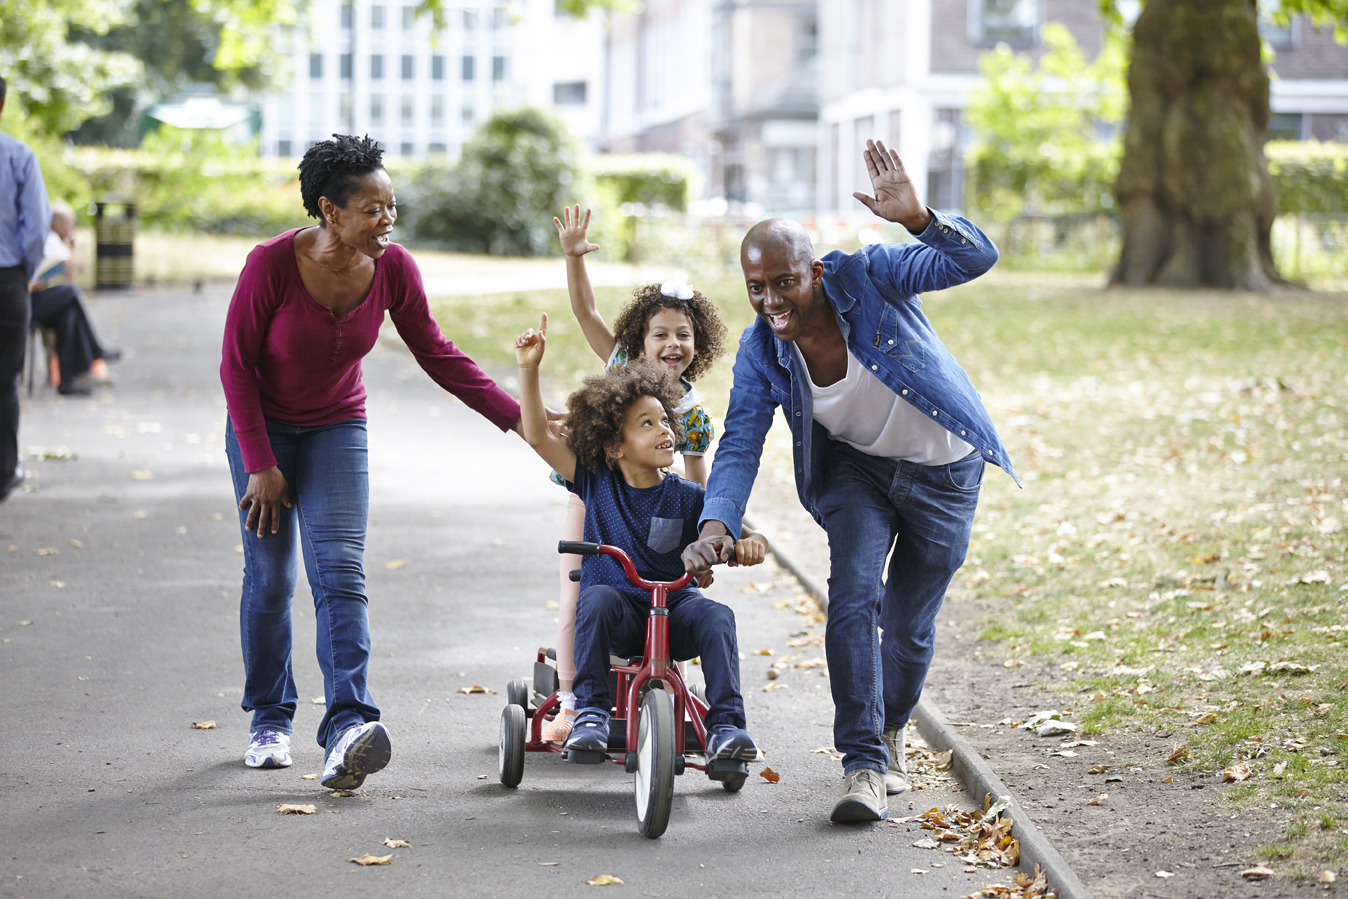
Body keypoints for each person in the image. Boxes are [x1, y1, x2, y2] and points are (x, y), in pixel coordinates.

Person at [681, 140, 1018, 823]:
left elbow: (972, 258)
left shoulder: (869, 275)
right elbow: (742, 438)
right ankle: (862, 762)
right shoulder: (761, 348)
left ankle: (891, 729)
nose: (771, 299)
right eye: (756, 286)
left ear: (815, 269)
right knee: (852, 598)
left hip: (944, 471)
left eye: (784, 281)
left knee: (910, 627)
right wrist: (715, 522)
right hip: (855, 471)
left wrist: (919, 218)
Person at [220, 134, 525, 790]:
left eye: (392, 207)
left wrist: (519, 415)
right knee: (271, 580)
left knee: (340, 570)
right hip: (264, 432)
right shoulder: (271, 264)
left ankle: (349, 724)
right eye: (373, 209)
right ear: (331, 211)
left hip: (336, 427)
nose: (388, 219)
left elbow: (438, 352)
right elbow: (236, 365)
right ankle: (270, 717)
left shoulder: (392, 269)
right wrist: (259, 461)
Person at [513, 314, 766, 764]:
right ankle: (591, 711)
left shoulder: (688, 496)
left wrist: (750, 543)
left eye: (664, 418)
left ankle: (726, 726)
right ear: (614, 445)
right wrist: (529, 369)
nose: (665, 428)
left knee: (717, 617)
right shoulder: (594, 481)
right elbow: (536, 435)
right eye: (646, 424)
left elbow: (738, 529)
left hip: (674, 612)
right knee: (594, 598)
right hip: (623, 617)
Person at [542, 205, 727, 744]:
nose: (673, 344)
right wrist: (575, 258)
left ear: (699, 344)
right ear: (637, 343)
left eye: (684, 335)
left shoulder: (690, 412)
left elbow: (696, 487)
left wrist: (706, 540)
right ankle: (574, 702)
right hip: (595, 499)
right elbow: (584, 311)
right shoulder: (620, 368)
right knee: (580, 592)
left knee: (674, 596)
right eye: (661, 334)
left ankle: (674, 700)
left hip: (659, 513)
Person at [0, 74, 51, 501]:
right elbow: (36, 226)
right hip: (6, 278)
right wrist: (24, 272)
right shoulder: (17, 155)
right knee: (4, 378)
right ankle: (2, 471)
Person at [29, 200, 120, 394]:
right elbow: (71, 271)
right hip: (26, 300)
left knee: (68, 314)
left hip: (35, 298)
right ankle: (94, 352)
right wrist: (75, 246)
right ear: (59, 224)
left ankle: (68, 382)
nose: (72, 229)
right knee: (70, 294)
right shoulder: (48, 238)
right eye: (71, 224)